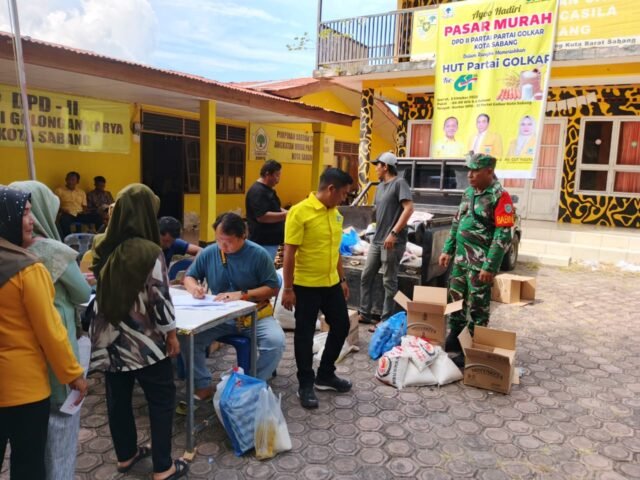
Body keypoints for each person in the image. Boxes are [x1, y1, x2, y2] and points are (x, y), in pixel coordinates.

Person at [88, 184, 187, 480]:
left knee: (118, 400)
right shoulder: (149, 251)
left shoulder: (101, 243)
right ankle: (163, 467)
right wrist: (171, 334)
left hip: (108, 337)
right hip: (143, 341)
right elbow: (160, 299)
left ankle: (126, 455)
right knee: (161, 399)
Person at [0, 186, 88, 480]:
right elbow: (51, 331)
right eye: (23, 214)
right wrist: (74, 374)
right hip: (25, 390)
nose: (31, 221)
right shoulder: (27, 270)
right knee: (28, 465)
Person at [181, 213, 285, 399]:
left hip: (255, 316)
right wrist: (194, 288)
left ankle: (251, 383)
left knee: (275, 343)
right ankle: (202, 384)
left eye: (228, 242)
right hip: (220, 317)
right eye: (218, 240)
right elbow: (189, 276)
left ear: (243, 236)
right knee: (187, 338)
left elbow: (273, 288)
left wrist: (243, 294)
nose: (222, 246)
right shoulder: (210, 252)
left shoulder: (258, 254)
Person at [282, 168, 353, 409]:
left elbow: (336, 251)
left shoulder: (336, 214)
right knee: (304, 335)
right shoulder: (299, 212)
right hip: (305, 286)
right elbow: (289, 252)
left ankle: (325, 374)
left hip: (331, 283)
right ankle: (305, 383)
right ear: (331, 189)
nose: (344, 198)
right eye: (343, 193)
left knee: (341, 325)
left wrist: (342, 279)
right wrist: (288, 288)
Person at [438, 154, 514, 366]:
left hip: (480, 265)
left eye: (475, 171)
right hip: (461, 260)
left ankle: (472, 348)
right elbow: (457, 222)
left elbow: (503, 234)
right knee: (455, 298)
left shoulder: (500, 196)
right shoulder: (469, 193)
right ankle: (455, 336)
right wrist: (447, 249)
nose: (469, 175)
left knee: (478, 306)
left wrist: (490, 266)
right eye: (469, 170)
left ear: (489, 171)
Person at [359, 152, 414, 329]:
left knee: (389, 281)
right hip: (377, 240)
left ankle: (386, 320)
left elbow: (409, 209)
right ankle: (365, 313)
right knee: (366, 276)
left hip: (392, 242)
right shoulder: (380, 187)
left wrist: (394, 233)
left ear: (386, 166)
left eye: (378, 165)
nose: (376, 168)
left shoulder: (399, 183)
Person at [245, 159, 288, 260]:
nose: (278, 180)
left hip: (271, 242)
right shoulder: (257, 191)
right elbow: (262, 216)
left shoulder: (268, 189)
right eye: (277, 175)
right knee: (262, 268)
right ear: (267, 174)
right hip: (263, 243)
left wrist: (287, 211)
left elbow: (275, 207)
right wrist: (286, 215)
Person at [55, 171, 96, 237]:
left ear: (77, 182)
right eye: (69, 179)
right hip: (67, 214)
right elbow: (55, 205)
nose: (70, 182)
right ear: (66, 180)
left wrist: (85, 211)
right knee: (64, 220)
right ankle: (68, 239)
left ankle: (100, 237)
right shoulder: (59, 191)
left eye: (73, 180)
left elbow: (84, 206)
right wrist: (62, 210)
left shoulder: (81, 192)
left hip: (80, 214)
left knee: (97, 217)